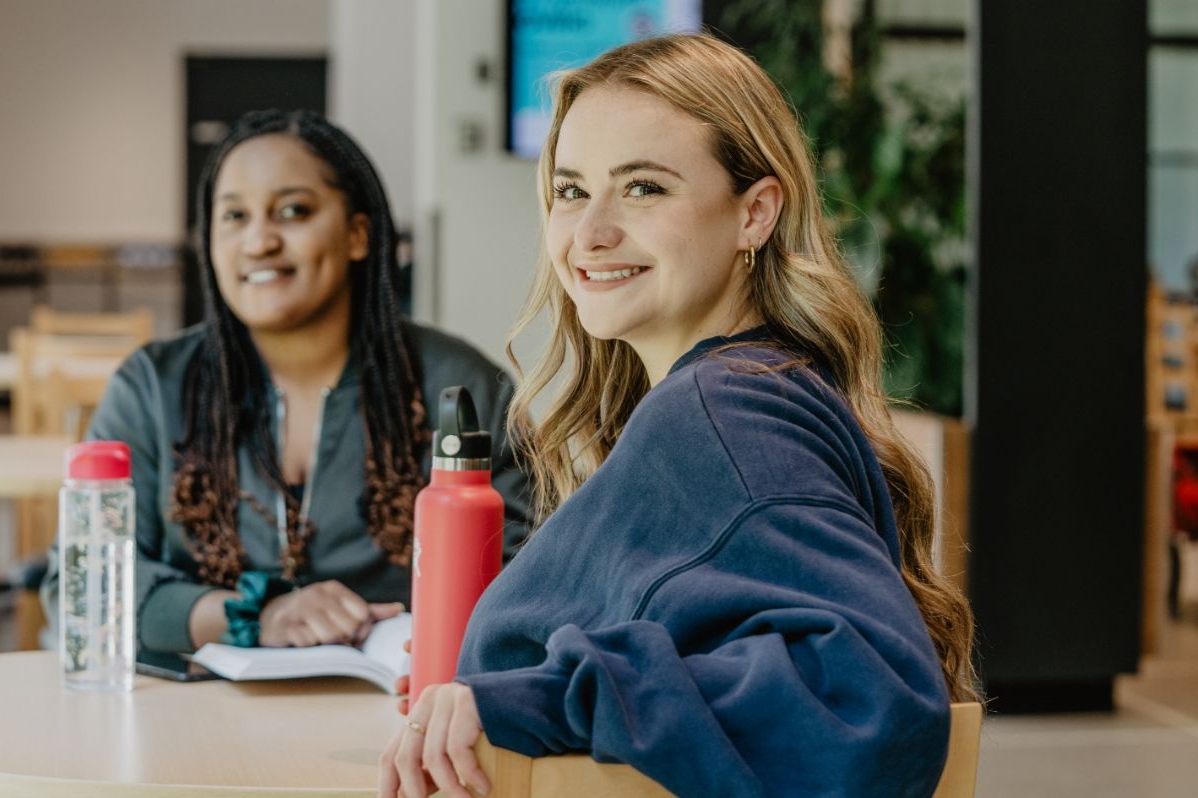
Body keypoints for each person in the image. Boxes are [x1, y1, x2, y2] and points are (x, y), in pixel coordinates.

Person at [379, 34, 980, 798]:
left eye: (642, 189)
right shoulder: (748, 390)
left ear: (755, 213)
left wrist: (536, 694)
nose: (588, 233)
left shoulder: (724, 413)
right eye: (570, 191)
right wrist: (506, 680)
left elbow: (867, 698)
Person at [42, 109, 531, 654]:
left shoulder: (461, 386)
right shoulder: (153, 387)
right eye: (234, 217)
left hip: (397, 717)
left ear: (357, 235)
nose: (258, 242)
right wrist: (256, 614)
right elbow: (79, 586)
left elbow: (529, 578)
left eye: (292, 211)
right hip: (193, 718)